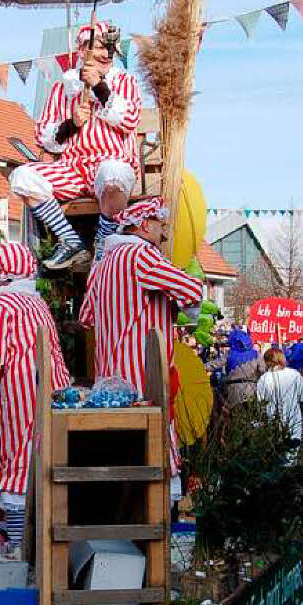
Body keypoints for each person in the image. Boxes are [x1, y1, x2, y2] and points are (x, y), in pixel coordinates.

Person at [79, 197, 203, 472]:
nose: (165, 232)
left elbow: (86, 316)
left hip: (108, 379)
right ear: (144, 225)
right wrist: (184, 312)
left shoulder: (104, 261)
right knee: (152, 456)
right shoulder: (141, 254)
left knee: (117, 452)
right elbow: (191, 289)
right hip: (143, 381)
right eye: (161, 224)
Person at [10, 21, 141, 271]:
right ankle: (70, 240)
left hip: (108, 166)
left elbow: (130, 119)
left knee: (115, 173)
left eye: (110, 50)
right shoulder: (63, 88)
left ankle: (104, 241)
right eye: (100, 48)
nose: (105, 54)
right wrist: (71, 124)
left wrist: (100, 87)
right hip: (73, 168)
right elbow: (43, 136)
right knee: (22, 177)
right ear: (82, 51)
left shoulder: (124, 82)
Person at [0, 242, 70, 555]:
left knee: (17, 459)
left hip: (22, 387)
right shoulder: (38, 303)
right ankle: (43, 546)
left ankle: (19, 546)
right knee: (45, 457)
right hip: (54, 385)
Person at [256, 348, 303, 443]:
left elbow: (260, 400)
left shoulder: (264, 378)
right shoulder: (294, 374)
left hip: (273, 421)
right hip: (294, 420)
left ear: (266, 361)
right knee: (292, 452)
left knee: (277, 450)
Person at [222, 329, 265, 409]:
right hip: (251, 388)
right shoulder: (256, 354)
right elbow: (263, 370)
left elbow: (213, 365)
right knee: (250, 415)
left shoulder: (230, 354)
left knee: (235, 416)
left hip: (233, 390)